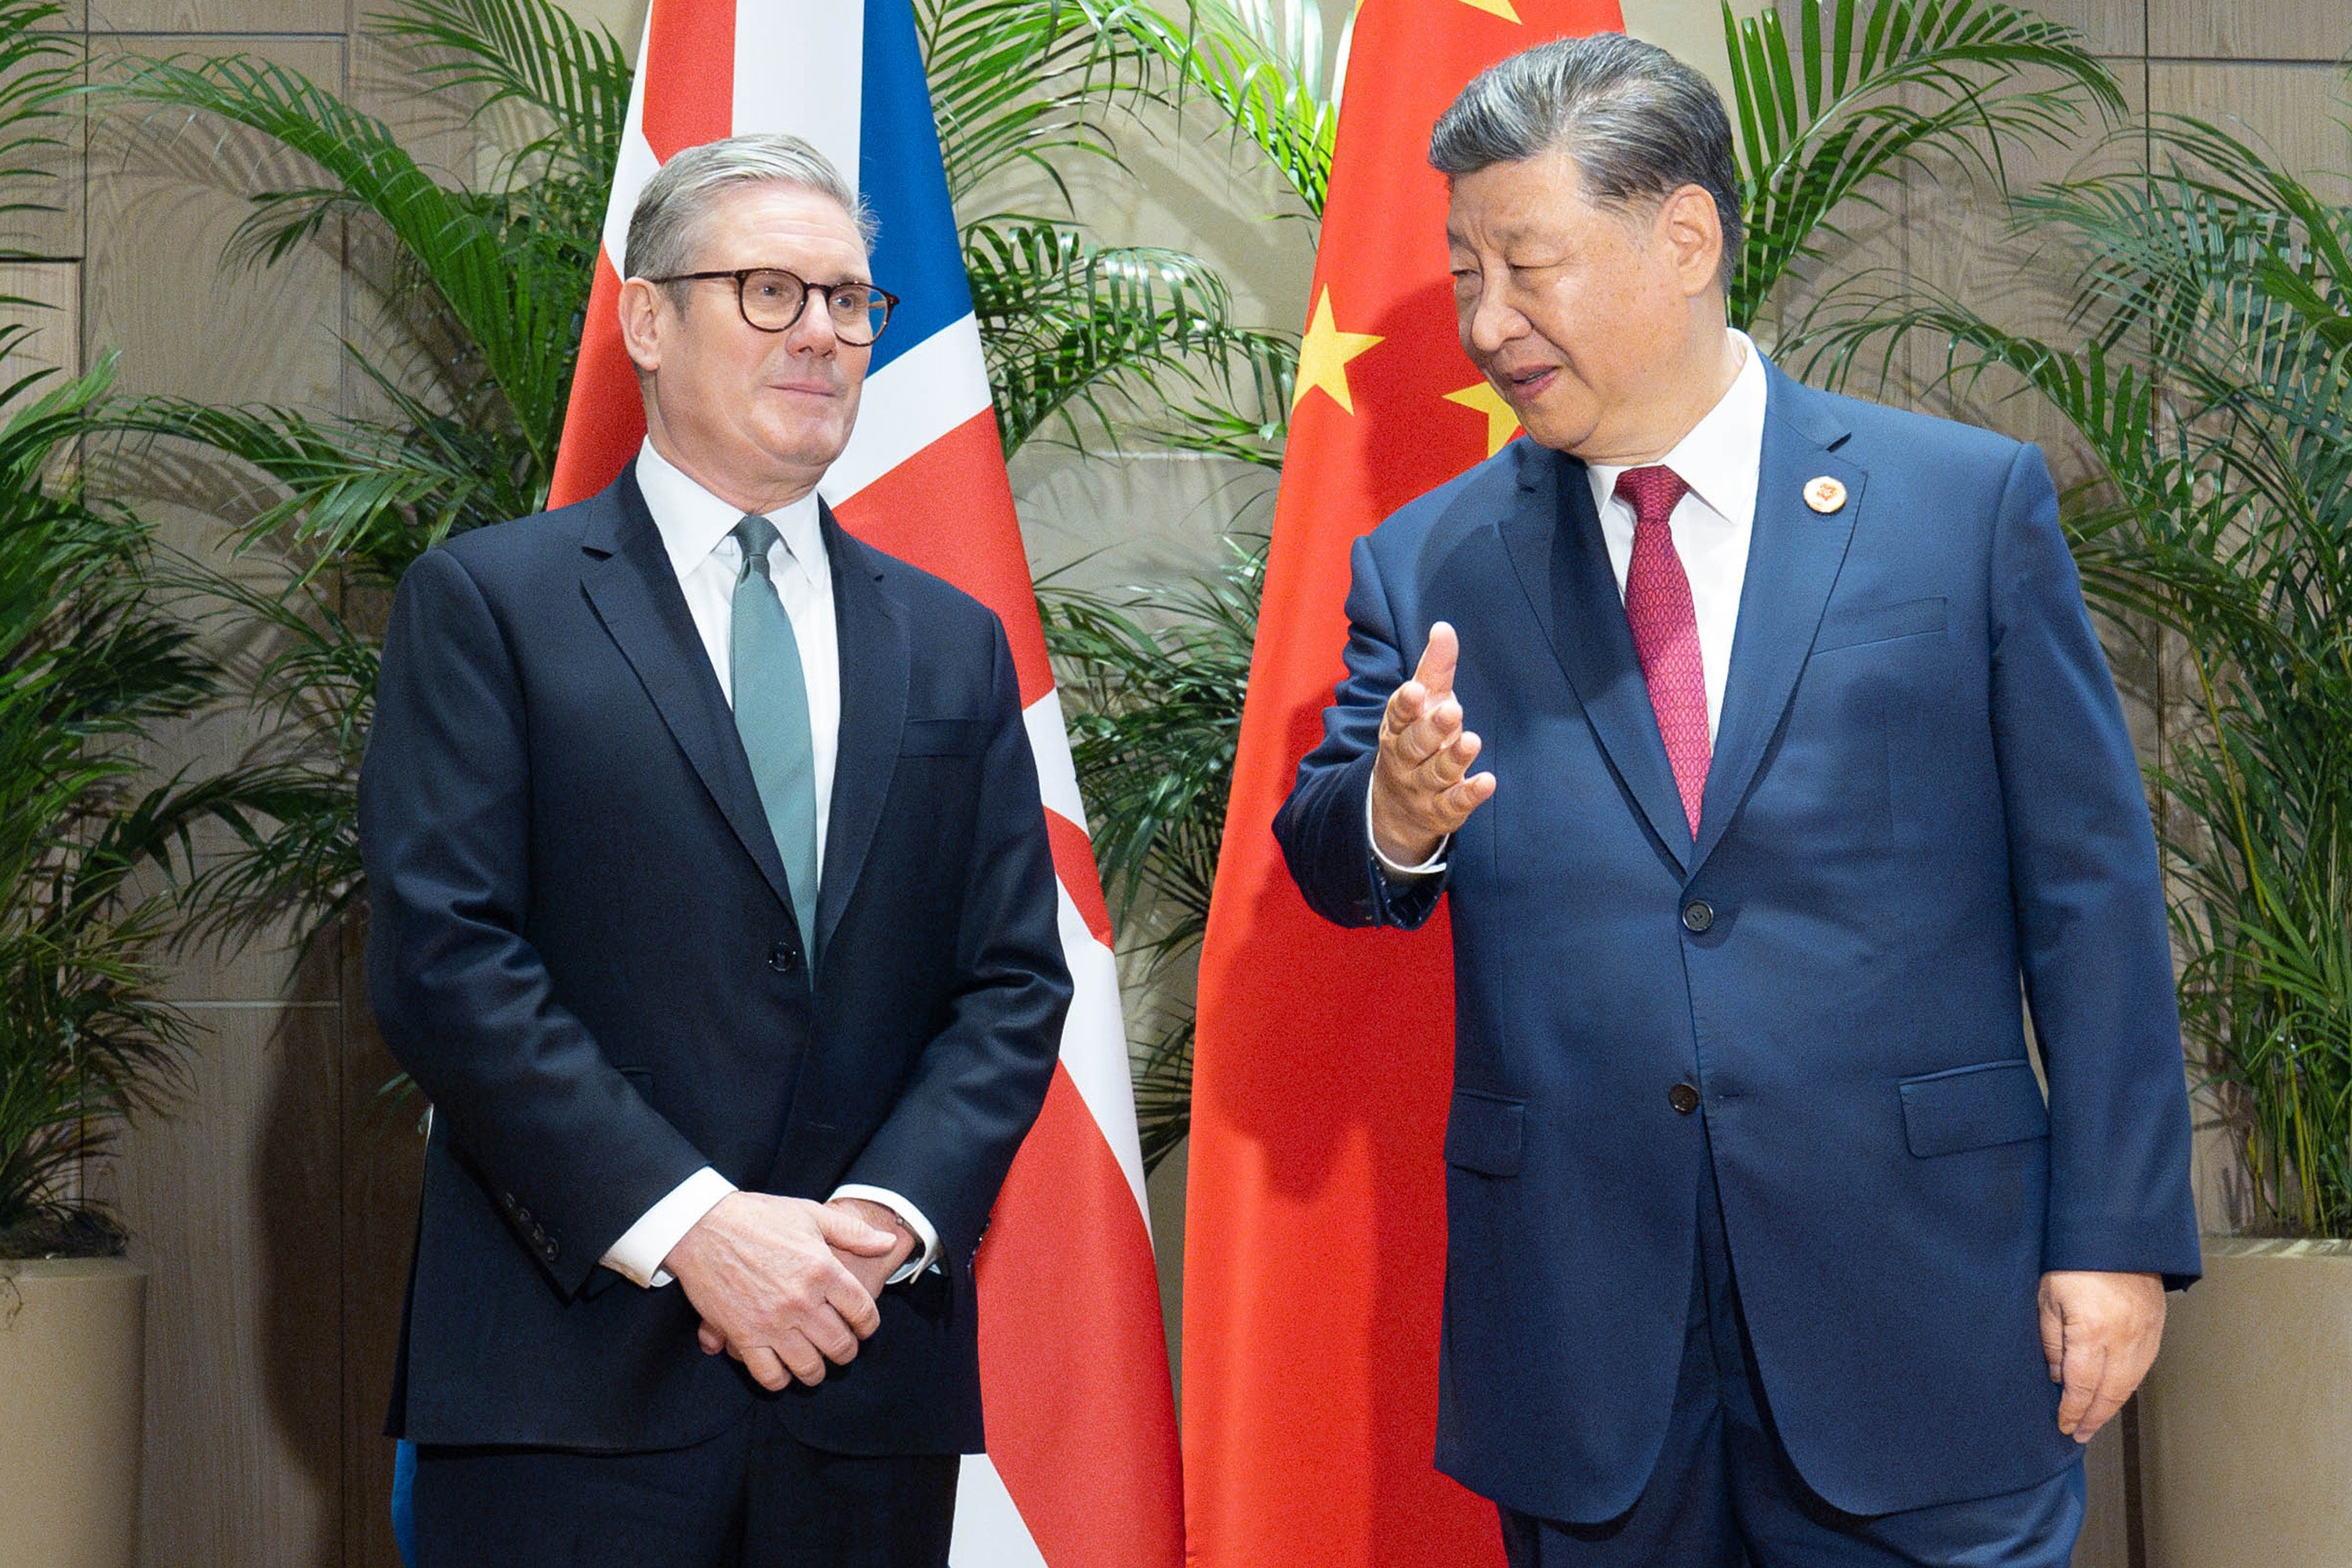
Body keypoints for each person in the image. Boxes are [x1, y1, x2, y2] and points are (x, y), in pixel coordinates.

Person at [1272, 35, 2198, 1567]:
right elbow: (1329, 847)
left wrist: (2117, 1237)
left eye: (1529, 266)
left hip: (1923, 1317)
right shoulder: (1430, 563)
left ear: (1684, 239)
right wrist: (1396, 804)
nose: (1489, 322)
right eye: (1465, 274)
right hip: (1588, 1343)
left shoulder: (1961, 512)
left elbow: (2091, 897)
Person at [359, 134, 1071, 1568]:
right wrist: (695, 1226)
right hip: (571, 1388)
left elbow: (1012, 982)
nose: (820, 332)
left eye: (849, 301)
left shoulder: (953, 638)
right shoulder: (490, 605)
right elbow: (449, 961)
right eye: (766, 290)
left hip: (861, 1381)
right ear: (646, 320)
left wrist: (880, 1218)